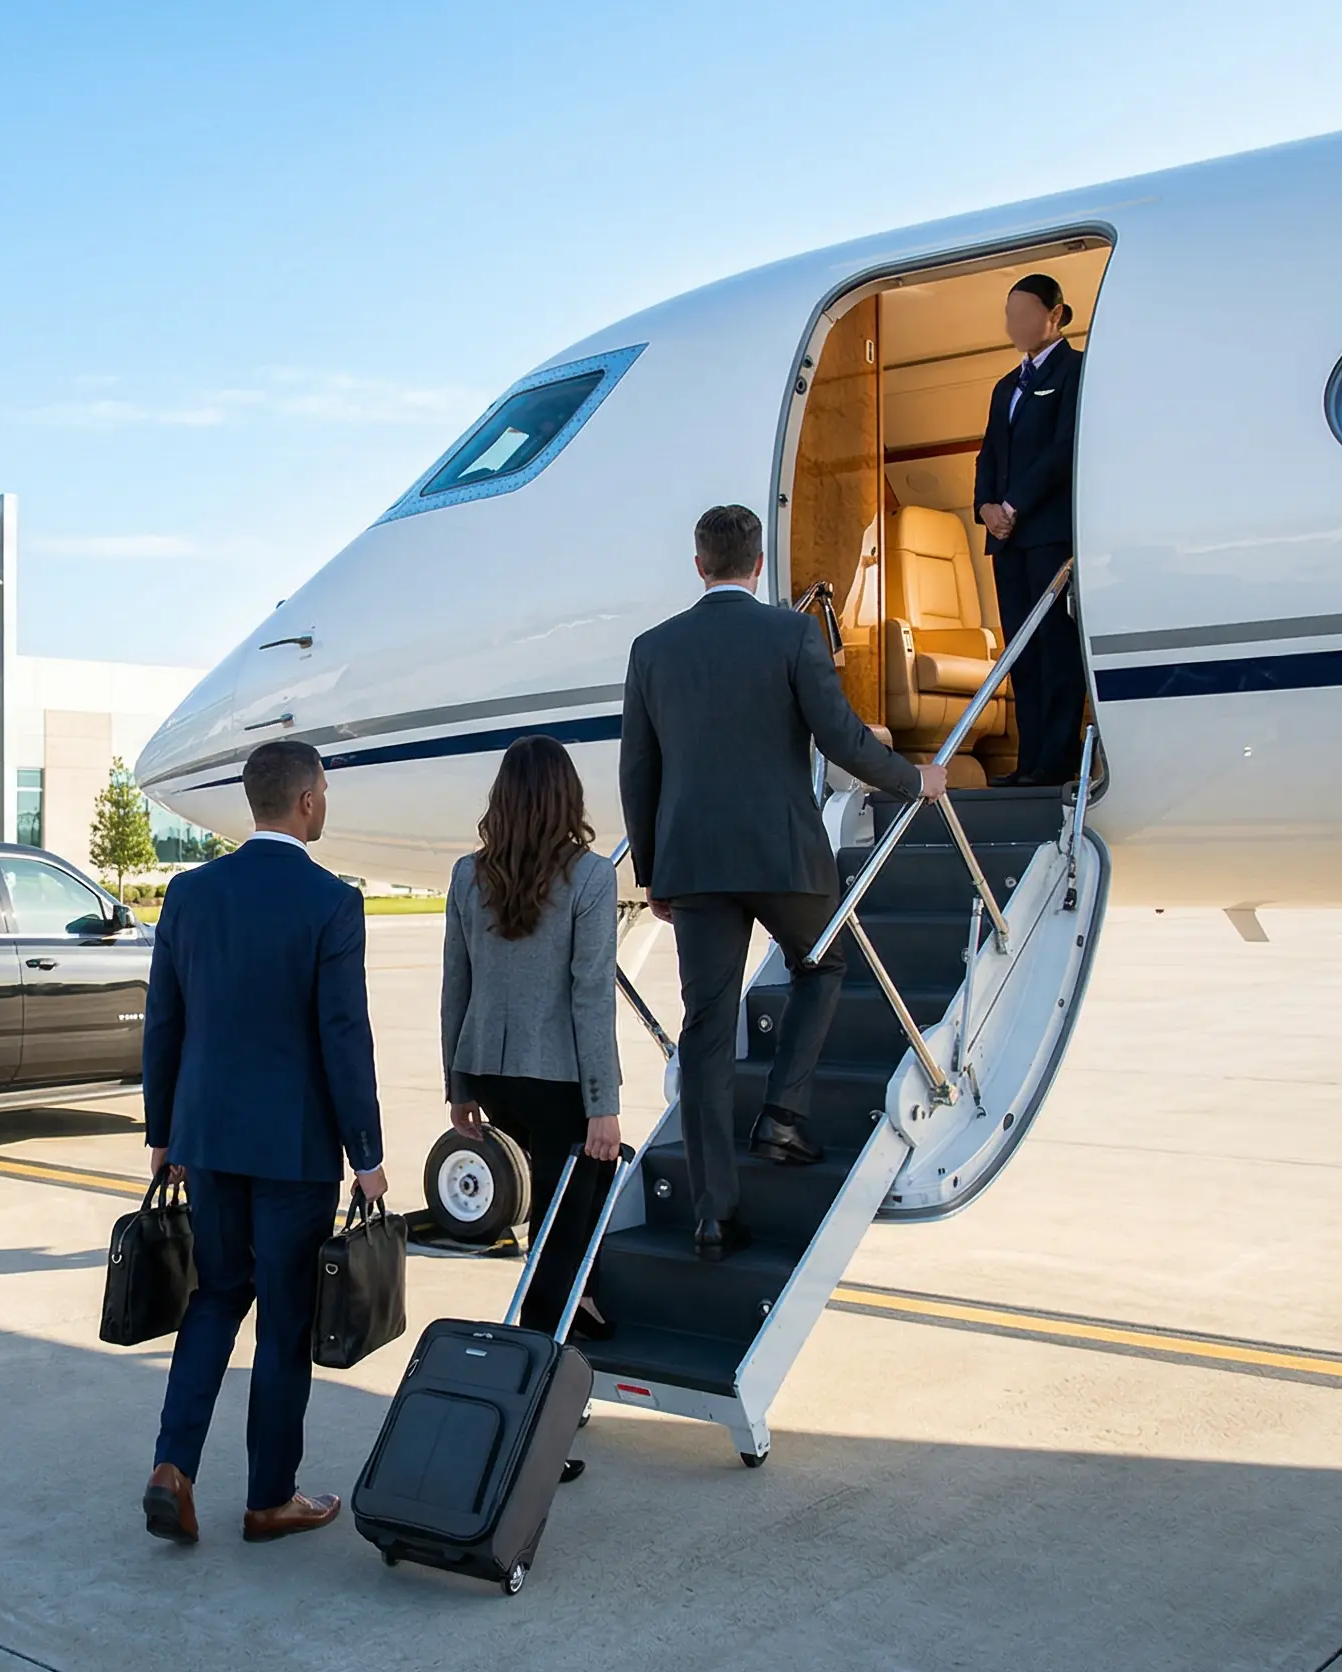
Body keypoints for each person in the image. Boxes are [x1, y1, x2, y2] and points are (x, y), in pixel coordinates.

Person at [618, 504, 943, 1263]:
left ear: (699, 566)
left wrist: (654, 870)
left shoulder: (653, 650)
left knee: (704, 1029)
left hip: (694, 867)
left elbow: (639, 769)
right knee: (821, 964)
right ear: (758, 565)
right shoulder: (792, 634)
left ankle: (712, 1216)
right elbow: (841, 737)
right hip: (784, 858)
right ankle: (784, 1114)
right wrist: (913, 781)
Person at [140, 740, 386, 1546]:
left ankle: (172, 1467)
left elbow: (165, 1023)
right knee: (283, 1320)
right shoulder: (330, 902)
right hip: (293, 1147)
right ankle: (269, 1497)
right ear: (308, 800)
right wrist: (368, 1154)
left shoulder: (190, 893)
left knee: (214, 1297)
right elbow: (342, 1035)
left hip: (206, 1139)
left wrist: (163, 1132)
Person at [440, 735, 623, 1343]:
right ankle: (545, 1350)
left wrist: (458, 1085)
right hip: (559, 1076)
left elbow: (455, 986)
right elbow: (591, 994)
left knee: (563, 1202)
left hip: (493, 1073)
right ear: (567, 798)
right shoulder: (593, 877)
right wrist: (604, 1105)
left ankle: (579, 1307)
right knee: (567, 1214)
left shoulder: (468, 875)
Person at [974, 272, 1089, 786]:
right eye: (1008, 314)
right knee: (1020, 648)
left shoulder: (1075, 372)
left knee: (1055, 651)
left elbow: (1062, 450)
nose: (1013, 324)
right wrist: (985, 508)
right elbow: (989, 455)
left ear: (1056, 315)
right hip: (1008, 539)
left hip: (1048, 534)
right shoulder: (1005, 387)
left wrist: (1015, 503)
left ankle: (1056, 762)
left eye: (1023, 314)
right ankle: (1028, 762)